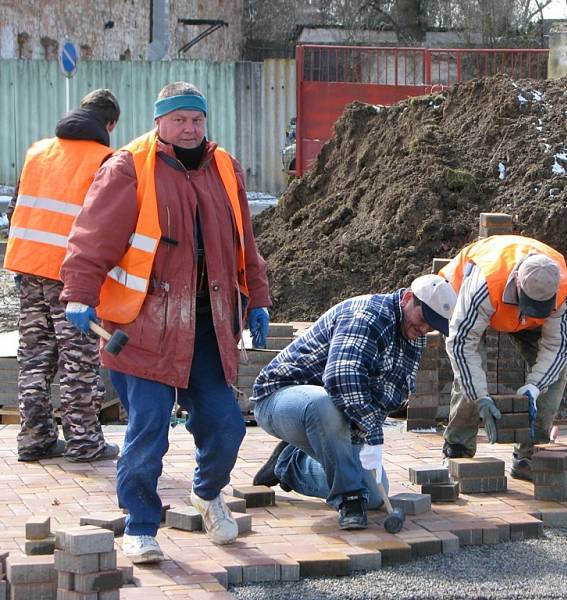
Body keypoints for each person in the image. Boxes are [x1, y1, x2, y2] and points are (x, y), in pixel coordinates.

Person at [59, 82, 272, 564]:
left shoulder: (224, 167)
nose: (190, 128)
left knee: (226, 425)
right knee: (148, 429)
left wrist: (257, 298)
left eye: (197, 119)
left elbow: (245, 244)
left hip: (208, 327)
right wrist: (78, 292)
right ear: (159, 122)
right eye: (179, 119)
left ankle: (208, 492)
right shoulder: (130, 166)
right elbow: (92, 237)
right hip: (141, 327)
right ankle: (140, 526)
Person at [250, 274, 457, 530]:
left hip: (336, 414)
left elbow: (393, 392)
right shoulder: (368, 316)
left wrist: (363, 436)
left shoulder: (414, 335)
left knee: (373, 494)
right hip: (281, 399)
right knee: (322, 405)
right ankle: (348, 501)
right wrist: (372, 432)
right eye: (424, 319)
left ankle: (289, 464)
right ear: (407, 299)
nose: (425, 329)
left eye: (433, 325)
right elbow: (340, 378)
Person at [3, 89, 121, 463]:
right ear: (110, 124)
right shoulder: (105, 159)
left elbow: (16, 208)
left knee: (35, 359)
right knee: (79, 361)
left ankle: (35, 439)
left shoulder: (38, 151)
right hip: (73, 275)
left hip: (27, 268)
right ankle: (85, 443)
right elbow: (107, 224)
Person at [438, 234, 567, 481]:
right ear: (518, 284)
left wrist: (534, 388)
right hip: (466, 301)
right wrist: (481, 397)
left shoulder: (560, 289)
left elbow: (559, 345)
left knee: (557, 370)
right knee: (468, 375)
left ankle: (531, 454)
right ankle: (458, 447)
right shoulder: (484, 283)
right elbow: (461, 345)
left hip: (519, 316)